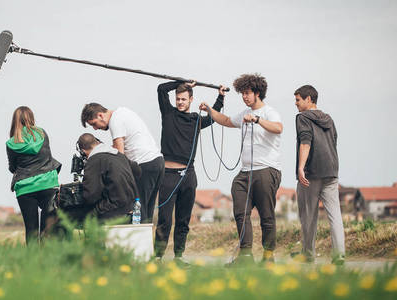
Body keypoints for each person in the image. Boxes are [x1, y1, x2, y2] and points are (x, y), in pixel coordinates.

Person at [200, 73, 282, 264]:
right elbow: (227, 121)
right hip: (245, 173)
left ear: (257, 93)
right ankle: (245, 255)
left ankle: (268, 257)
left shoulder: (270, 112)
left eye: (247, 93)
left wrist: (257, 120)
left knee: (266, 215)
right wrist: (210, 110)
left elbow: (278, 128)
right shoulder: (244, 114)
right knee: (240, 212)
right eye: (242, 94)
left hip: (266, 170)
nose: (244, 97)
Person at [154, 81, 225, 263]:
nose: (180, 102)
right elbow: (162, 89)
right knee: (164, 220)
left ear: (191, 99)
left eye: (183, 99)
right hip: (168, 176)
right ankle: (158, 257)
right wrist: (181, 83)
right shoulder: (168, 114)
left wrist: (220, 97)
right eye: (178, 99)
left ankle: (179, 256)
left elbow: (214, 117)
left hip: (188, 176)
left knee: (183, 220)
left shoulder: (196, 119)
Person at [81, 103, 164, 223]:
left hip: (144, 164)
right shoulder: (123, 112)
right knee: (147, 211)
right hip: (157, 162)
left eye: (94, 123)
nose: (95, 128)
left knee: (138, 211)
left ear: (100, 115)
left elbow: (119, 157)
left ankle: (138, 241)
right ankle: (146, 240)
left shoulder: (115, 121)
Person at [294, 85, 345, 265]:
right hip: (331, 171)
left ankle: (308, 254)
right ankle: (339, 255)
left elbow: (305, 142)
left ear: (309, 99)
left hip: (312, 172)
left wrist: (301, 167)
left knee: (308, 216)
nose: (296, 103)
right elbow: (334, 141)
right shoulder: (329, 119)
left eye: (298, 100)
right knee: (335, 215)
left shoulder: (302, 118)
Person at [6, 106, 61, 244]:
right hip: (47, 183)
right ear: (31, 117)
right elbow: (47, 156)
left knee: (31, 229)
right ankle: (47, 261)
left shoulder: (11, 143)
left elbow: (12, 167)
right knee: (48, 229)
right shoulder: (42, 134)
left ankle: (32, 262)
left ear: (15, 121)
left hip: (25, 188)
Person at [77, 133, 141, 222]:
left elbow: (90, 196)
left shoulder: (94, 160)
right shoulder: (118, 155)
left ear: (83, 151)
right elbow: (137, 170)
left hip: (113, 209)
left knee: (78, 215)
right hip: (131, 207)